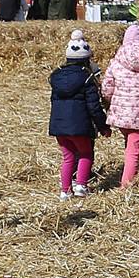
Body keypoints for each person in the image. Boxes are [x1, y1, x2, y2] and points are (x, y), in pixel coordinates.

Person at [48, 30, 108, 197]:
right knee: (86, 153)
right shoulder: (87, 78)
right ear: (86, 59)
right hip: (80, 126)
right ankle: (81, 185)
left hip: (59, 126)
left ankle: (65, 191)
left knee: (67, 158)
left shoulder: (56, 77)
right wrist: (103, 126)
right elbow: (94, 106)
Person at [101, 21, 139, 189]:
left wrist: (107, 100)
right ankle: (127, 184)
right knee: (134, 150)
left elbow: (107, 85)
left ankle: (128, 172)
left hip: (120, 111)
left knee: (129, 142)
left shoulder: (117, 60)